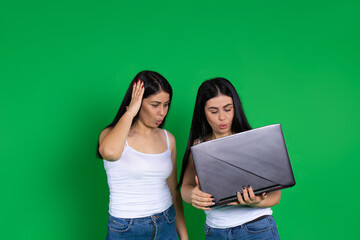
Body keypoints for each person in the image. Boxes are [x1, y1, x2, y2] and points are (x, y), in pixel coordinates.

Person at [179, 77, 281, 239]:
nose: (222, 118)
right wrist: (193, 195)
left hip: (255, 228)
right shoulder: (198, 145)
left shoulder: (253, 141)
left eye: (228, 109)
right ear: (202, 112)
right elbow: (185, 187)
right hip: (215, 231)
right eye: (213, 111)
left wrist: (255, 202)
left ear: (236, 108)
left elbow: (276, 196)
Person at [97, 70, 188, 240]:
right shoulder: (110, 135)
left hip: (166, 221)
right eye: (155, 104)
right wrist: (131, 112)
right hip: (127, 228)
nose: (162, 112)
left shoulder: (168, 139)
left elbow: (174, 190)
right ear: (137, 102)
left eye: (166, 104)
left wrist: (184, 236)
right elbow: (110, 153)